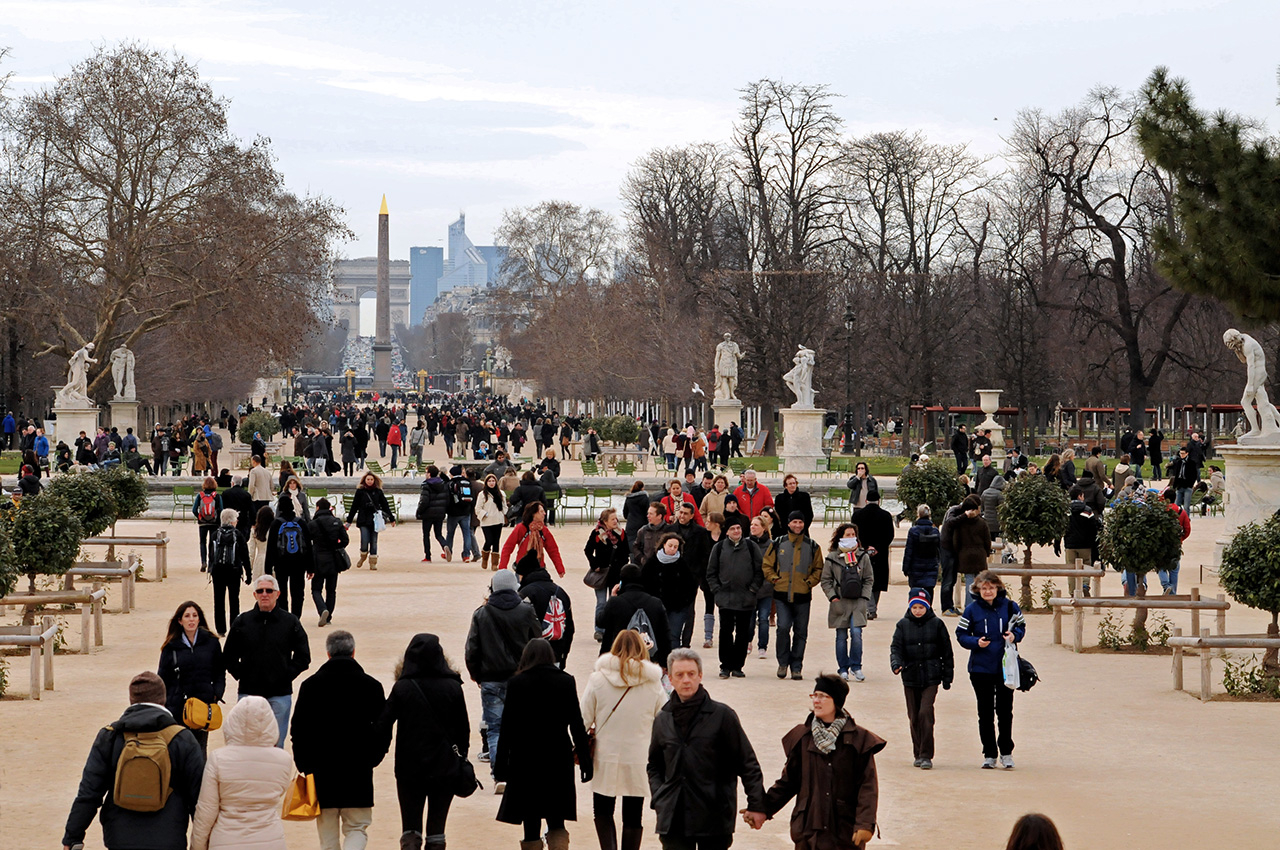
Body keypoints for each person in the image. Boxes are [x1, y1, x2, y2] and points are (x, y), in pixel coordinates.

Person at [62, 671, 206, 850]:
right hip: (168, 835)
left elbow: (89, 793)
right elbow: (199, 799)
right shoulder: (182, 738)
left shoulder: (110, 736)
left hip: (120, 836)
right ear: (163, 698)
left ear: (131, 700)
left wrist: (73, 836)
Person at [746, 673, 885, 849]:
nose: (816, 701)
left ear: (837, 701)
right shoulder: (803, 737)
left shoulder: (858, 740)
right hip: (808, 830)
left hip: (843, 832)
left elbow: (867, 785)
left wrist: (865, 824)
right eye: (814, 695)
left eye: (823, 696)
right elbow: (788, 783)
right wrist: (762, 808)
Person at [647, 648, 766, 850]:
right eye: (680, 675)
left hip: (714, 818)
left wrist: (757, 805)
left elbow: (747, 763)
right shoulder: (662, 718)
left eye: (691, 674)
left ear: (700, 676)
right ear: (670, 679)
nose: (686, 680)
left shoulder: (723, 716)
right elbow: (655, 765)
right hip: (674, 818)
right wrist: (660, 797)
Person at [291, 629, 387, 850]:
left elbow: (298, 730)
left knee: (328, 838)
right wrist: (373, 758)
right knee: (357, 829)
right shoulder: (372, 686)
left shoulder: (310, 686)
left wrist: (305, 766)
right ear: (353, 652)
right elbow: (383, 729)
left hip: (321, 772)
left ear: (328, 654)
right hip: (359, 770)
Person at [376, 634, 470, 850]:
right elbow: (463, 730)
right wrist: (460, 758)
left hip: (410, 767)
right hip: (445, 766)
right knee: (437, 830)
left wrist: (377, 752)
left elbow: (383, 724)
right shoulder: (453, 687)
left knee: (410, 828)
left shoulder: (403, 688)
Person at [495, 639, 592, 850]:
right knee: (557, 818)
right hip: (558, 757)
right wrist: (585, 761)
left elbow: (507, 728)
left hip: (525, 758)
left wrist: (500, 766)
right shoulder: (566, 681)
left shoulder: (517, 683)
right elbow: (576, 723)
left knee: (530, 820)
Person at [580, 630, 666, 850]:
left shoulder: (598, 679)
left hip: (604, 754)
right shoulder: (653, 683)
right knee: (633, 816)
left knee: (602, 810)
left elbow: (584, 717)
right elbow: (664, 722)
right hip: (638, 755)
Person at [465, 569, 542, 792]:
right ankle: (521, 770)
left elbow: (472, 648)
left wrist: (476, 675)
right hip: (522, 677)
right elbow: (537, 641)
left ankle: (500, 775)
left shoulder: (481, 613)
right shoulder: (527, 610)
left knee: (495, 728)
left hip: (491, 677)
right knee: (522, 727)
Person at [190, 695, 295, 850]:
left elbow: (206, 810)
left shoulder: (219, 758)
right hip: (270, 839)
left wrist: (197, 846)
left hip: (226, 840)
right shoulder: (284, 760)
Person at [223, 574, 311, 748]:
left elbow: (303, 657)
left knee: (276, 744)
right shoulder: (242, 622)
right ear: (254, 595)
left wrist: (286, 675)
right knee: (246, 742)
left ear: (277, 594)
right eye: (260, 591)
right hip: (249, 693)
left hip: (280, 694)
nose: (264, 594)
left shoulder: (290, 621)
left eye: (269, 591)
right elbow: (228, 655)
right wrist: (242, 675)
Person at [956, 570, 1025, 769]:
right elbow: (960, 634)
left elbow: (1021, 626)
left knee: (1005, 711)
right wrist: (975, 641)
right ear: (977, 589)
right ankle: (989, 754)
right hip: (980, 668)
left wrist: (1014, 636)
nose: (988, 591)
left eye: (991, 588)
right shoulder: (971, 610)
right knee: (984, 712)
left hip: (1006, 667)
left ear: (998, 588)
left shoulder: (1010, 606)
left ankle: (1006, 752)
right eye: (984, 588)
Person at [890, 589, 954, 769]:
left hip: (931, 677)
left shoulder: (937, 624)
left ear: (928, 606)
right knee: (913, 716)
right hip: (910, 676)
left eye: (921, 607)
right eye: (914, 607)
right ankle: (917, 752)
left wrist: (947, 677)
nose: (918, 610)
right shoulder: (902, 625)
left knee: (925, 713)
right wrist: (896, 663)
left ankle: (926, 754)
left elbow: (947, 652)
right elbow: (896, 648)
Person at [157, 601, 226, 754]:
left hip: (203, 706)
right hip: (177, 708)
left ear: (199, 619)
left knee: (200, 751)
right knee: (178, 751)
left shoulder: (211, 642)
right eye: (187, 616)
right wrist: (166, 703)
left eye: (195, 616)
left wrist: (216, 693)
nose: (191, 619)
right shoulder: (171, 646)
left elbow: (220, 672)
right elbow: (162, 678)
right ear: (180, 621)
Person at [762, 512, 824, 680]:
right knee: (782, 628)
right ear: (789, 524)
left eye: (800, 522)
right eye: (795, 522)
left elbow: (819, 569)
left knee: (801, 632)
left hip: (803, 595)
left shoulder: (812, 546)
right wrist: (775, 579)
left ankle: (796, 666)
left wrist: (809, 583)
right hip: (782, 595)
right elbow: (767, 565)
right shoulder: (778, 543)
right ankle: (783, 663)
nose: (798, 525)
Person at [706, 518, 763, 678]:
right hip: (725, 598)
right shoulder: (718, 548)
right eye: (733, 529)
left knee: (743, 633)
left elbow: (760, 571)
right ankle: (725, 665)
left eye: (738, 528)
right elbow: (711, 573)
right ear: (727, 532)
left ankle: (738, 665)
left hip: (746, 597)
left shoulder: (751, 547)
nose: (737, 531)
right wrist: (717, 590)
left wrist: (753, 589)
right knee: (725, 632)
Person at [820, 523, 874, 683]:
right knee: (841, 635)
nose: (851, 538)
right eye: (847, 535)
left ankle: (856, 666)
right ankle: (843, 668)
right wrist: (832, 597)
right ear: (840, 537)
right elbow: (825, 580)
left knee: (857, 634)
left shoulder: (863, 556)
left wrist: (865, 597)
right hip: (840, 600)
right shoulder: (832, 557)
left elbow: (869, 579)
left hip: (858, 601)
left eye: (853, 535)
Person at [597, 564, 672, 670]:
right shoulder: (655, 603)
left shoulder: (615, 603)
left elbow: (600, 622)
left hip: (618, 658)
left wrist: (611, 599)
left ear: (621, 582)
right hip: (648, 660)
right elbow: (665, 636)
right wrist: (664, 663)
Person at [515, 549, 576, 668]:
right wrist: (563, 656)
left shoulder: (525, 593)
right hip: (556, 654)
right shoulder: (561, 592)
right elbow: (569, 629)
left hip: (531, 657)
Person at [641, 533, 700, 652]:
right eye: (670, 545)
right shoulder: (652, 562)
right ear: (663, 545)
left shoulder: (682, 564)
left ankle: (673, 664)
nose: (672, 549)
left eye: (675, 547)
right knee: (655, 636)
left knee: (674, 636)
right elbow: (643, 583)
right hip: (656, 607)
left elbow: (691, 585)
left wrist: (685, 602)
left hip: (677, 608)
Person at [671, 502, 713, 648]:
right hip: (672, 575)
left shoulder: (700, 532)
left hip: (691, 577)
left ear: (691, 516)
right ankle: (673, 639)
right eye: (680, 512)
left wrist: (698, 574)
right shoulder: (671, 530)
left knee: (689, 610)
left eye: (685, 514)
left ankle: (686, 642)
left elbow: (705, 555)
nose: (682, 516)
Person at [585, 507, 629, 641]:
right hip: (601, 573)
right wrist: (594, 564)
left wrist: (621, 566)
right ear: (605, 521)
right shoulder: (597, 533)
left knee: (614, 602)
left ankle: (613, 629)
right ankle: (599, 630)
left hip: (616, 574)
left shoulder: (621, 534)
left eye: (616, 518)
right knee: (602, 603)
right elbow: (588, 550)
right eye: (613, 519)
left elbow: (626, 552)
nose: (616, 521)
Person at [265, 493, 312, 617]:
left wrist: (268, 568)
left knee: (282, 591)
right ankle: (296, 616)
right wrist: (311, 567)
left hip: (281, 563)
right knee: (297, 593)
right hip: (299, 562)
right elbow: (308, 545)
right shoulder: (301, 523)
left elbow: (270, 547)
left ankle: (284, 616)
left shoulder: (276, 524)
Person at [941, 494, 992, 609]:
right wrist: (987, 552)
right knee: (980, 581)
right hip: (979, 554)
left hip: (965, 554)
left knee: (969, 580)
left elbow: (956, 541)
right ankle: (978, 606)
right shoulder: (982, 523)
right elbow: (987, 540)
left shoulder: (961, 524)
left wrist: (959, 552)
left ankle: (968, 606)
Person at [307, 497, 351, 627]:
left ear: (318, 508)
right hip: (333, 559)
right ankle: (328, 616)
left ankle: (322, 610)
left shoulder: (313, 524)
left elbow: (307, 543)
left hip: (318, 559)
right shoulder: (336, 522)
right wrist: (337, 547)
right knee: (331, 590)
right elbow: (345, 540)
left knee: (316, 589)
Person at [208, 507, 251, 635]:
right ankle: (234, 627)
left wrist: (211, 569)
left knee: (218, 600)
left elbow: (211, 554)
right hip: (234, 571)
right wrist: (248, 573)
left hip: (218, 572)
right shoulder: (238, 535)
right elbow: (245, 555)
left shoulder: (215, 534)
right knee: (234, 599)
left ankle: (220, 629)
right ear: (233, 521)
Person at [850, 491, 894, 619]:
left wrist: (865, 546)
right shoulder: (886, 516)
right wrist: (877, 547)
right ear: (879, 501)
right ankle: (872, 607)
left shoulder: (857, 516)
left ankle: (870, 607)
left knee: (865, 578)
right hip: (880, 552)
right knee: (877, 580)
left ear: (866, 501)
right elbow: (889, 535)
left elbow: (855, 534)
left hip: (863, 552)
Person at [346, 471, 395, 571]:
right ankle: (363, 556)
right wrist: (349, 521)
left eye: (371, 479)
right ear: (364, 480)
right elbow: (354, 507)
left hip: (375, 520)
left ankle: (373, 563)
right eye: (368, 479)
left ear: (374, 481)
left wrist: (392, 518)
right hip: (363, 519)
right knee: (364, 541)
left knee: (374, 541)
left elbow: (385, 505)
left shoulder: (378, 492)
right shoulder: (360, 492)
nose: (369, 481)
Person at [500, 502, 566, 576]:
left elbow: (553, 550)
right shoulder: (521, 528)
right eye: (541, 511)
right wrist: (502, 568)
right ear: (533, 514)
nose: (544, 513)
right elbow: (508, 548)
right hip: (522, 570)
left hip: (539, 568)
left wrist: (560, 569)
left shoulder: (544, 530)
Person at [1063, 487, 1102, 597]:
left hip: (1070, 544)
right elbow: (1093, 528)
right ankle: (1084, 585)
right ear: (1080, 496)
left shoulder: (1066, 510)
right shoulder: (1087, 510)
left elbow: (1061, 526)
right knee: (1085, 565)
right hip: (1085, 544)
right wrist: (1094, 543)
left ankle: (1072, 591)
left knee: (1071, 569)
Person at [902, 504, 942, 601]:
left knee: (915, 591)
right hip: (931, 564)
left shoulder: (913, 531)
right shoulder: (935, 531)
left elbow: (909, 551)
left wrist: (905, 568)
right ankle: (928, 608)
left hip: (915, 565)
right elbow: (940, 550)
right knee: (929, 589)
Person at [416, 464, 452, 563]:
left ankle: (428, 556)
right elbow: (447, 499)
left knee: (426, 535)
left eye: (426, 472)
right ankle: (445, 546)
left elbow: (424, 501)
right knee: (438, 534)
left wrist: (419, 511)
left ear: (429, 474)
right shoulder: (443, 484)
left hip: (428, 514)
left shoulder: (426, 485)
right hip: (440, 513)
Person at [445, 465, 478, 563]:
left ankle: (449, 551)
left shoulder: (450, 483)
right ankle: (466, 555)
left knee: (450, 533)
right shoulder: (467, 482)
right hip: (466, 512)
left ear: (452, 474)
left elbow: (448, 499)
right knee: (466, 533)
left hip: (453, 513)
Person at [192, 477, 223, 572]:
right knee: (212, 543)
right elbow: (221, 509)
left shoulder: (200, 495)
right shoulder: (217, 496)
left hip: (203, 523)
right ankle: (211, 564)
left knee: (202, 542)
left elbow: (194, 509)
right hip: (214, 523)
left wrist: (199, 517)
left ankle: (203, 561)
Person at [476, 473, 506, 570]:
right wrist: (485, 514)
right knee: (489, 540)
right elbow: (478, 508)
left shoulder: (501, 493)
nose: (491, 483)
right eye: (489, 481)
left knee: (496, 541)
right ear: (486, 482)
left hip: (498, 520)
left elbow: (505, 506)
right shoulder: (482, 494)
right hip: (487, 521)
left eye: (493, 481)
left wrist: (503, 513)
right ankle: (485, 558)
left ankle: (494, 564)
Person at [249, 505, 274, 583]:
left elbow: (251, 552)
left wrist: (249, 568)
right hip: (273, 561)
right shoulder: (275, 530)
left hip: (259, 562)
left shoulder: (255, 531)